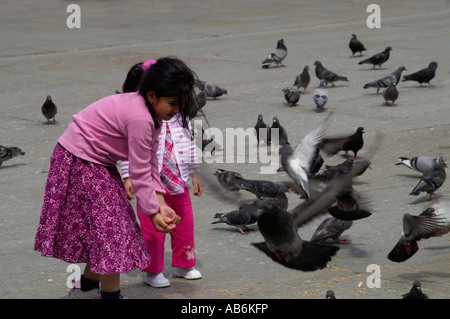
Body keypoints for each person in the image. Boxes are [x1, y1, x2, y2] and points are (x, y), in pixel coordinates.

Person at [34, 57, 196, 299]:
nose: (175, 111)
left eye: (180, 105)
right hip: (79, 160)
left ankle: (86, 290)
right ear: (152, 95)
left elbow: (151, 162)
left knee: (109, 231)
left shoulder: (151, 115)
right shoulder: (141, 117)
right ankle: (110, 296)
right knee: (113, 233)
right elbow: (139, 171)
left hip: (96, 162)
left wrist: (160, 204)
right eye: (172, 103)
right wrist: (153, 213)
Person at [119, 59, 203, 288]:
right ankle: (153, 270)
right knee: (152, 231)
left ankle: (185, 264)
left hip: (178, 182)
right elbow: (130, 152)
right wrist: (127, 176)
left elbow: (189, 144)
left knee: (184, 225)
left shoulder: (181, 117)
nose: (175, 107)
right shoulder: (140, 119)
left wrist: (195, 171)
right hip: (149, 187)